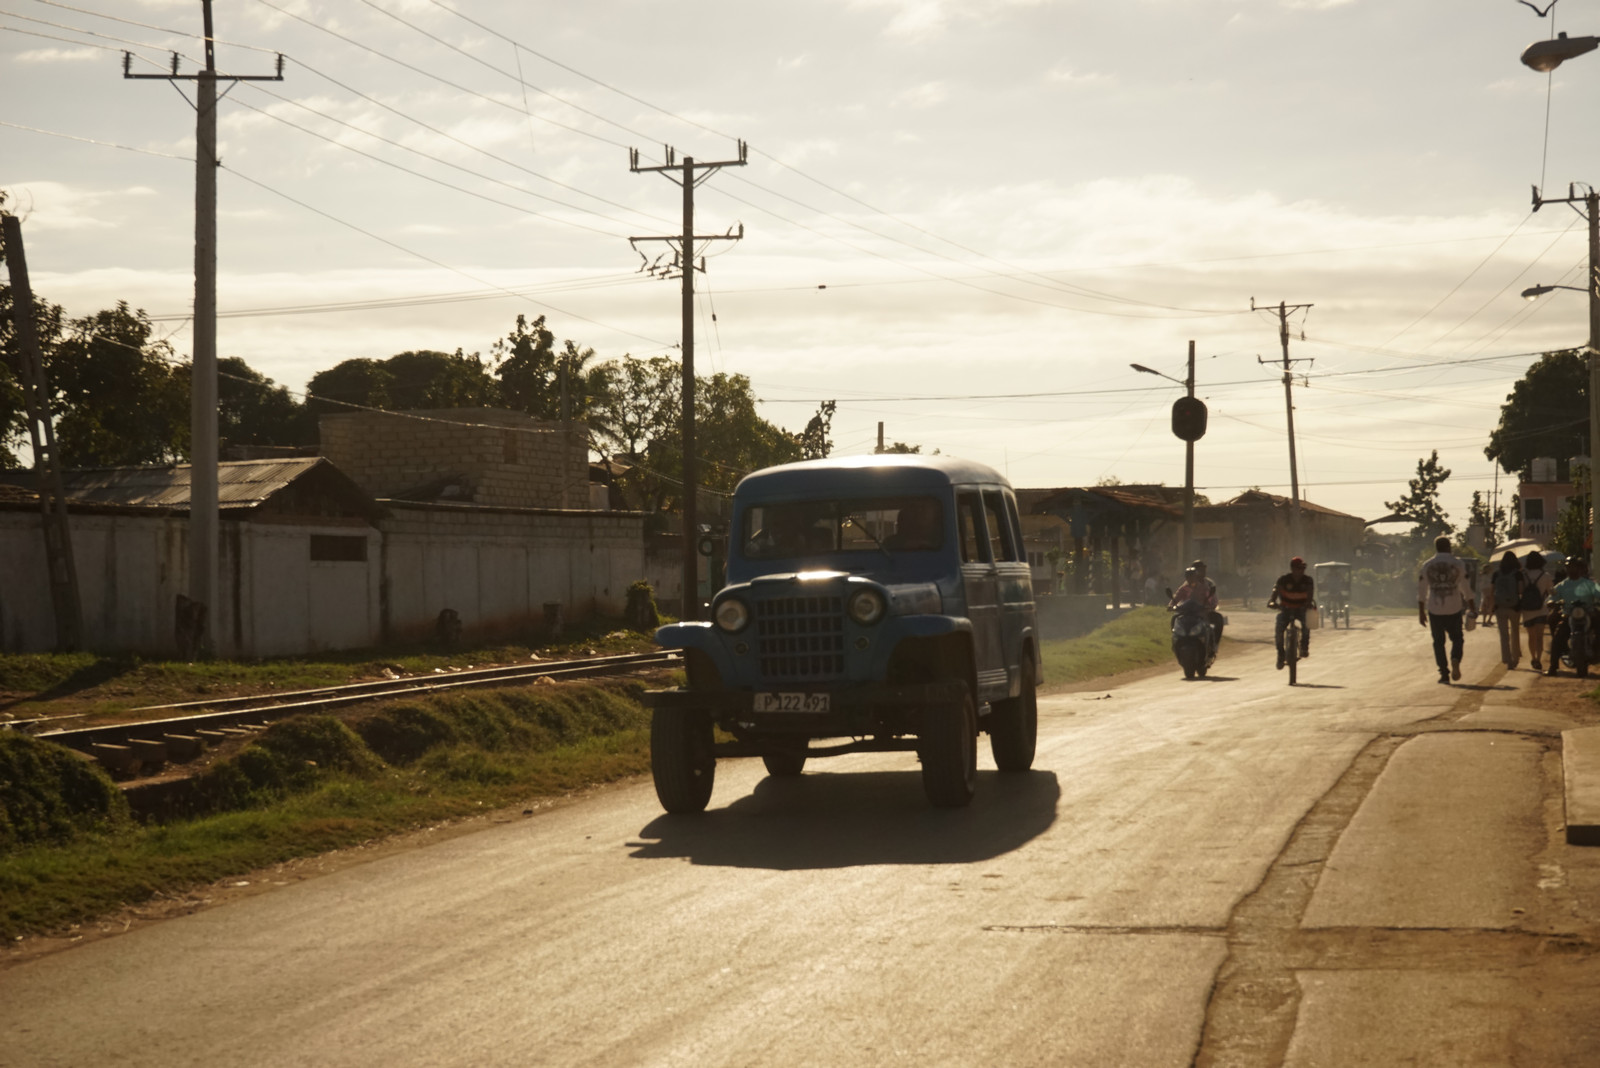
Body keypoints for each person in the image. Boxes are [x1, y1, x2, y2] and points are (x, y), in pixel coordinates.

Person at [1417, 535, 1477, 684]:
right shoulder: (1458, 564)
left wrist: (1421, 611)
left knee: (1438, 642)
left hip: (1434, 609)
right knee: (1457, 638)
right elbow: (1466, 587)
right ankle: (1455, 658)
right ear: (1449, 547)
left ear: (1436, 547)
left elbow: (1421, 590)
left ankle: (1444, 673)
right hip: (1454, 607)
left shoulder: (1427, 565)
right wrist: (1472, 606)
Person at [1544, 557, 1600, 676]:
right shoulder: (1562, 585)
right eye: (1569, 567)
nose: (1571, 569)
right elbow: (1551, 597)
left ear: (1580, 569)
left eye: (1574, 567)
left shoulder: (1590, 584)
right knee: (1557, 638)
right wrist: (1551, 602)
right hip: (1569, 615)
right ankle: (1553, 667)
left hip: (1588, 614)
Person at [1267, 556, 1315, 670]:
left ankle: (1304, 647)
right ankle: (1280, 655)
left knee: (1307, 624)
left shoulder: (1308, 580)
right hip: (1286, 610)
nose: (1301, 571)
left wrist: (1308, 605)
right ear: (1292, 569)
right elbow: (1274, 594)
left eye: (1303, 568)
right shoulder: (1283, 580)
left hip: (1301, 609)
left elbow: (1310, 595)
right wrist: (1272, 603)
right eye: (1298, 568)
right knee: (1279, 630)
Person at [1481, 551, 1525, 670]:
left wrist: (1492, 606)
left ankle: (1507, 659)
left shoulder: (1496, 574)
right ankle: (1515, 658)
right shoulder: (1518, 574)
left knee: (1503, 634)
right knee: (1515, 633)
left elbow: (1492, 591)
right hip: (1514, 607)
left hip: (1500, 607)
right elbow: (1521, 590)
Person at [1519, 551, 1556, 672]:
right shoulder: (1545, 575)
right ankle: (1539, 659)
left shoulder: (1523, 575)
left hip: (1527, 610)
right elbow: (1551, 591)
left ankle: (1533, 657)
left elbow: (1520, 590)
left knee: (1531, 636)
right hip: (1541, 609)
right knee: (1540, 636)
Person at [1187, 559, 1225, 645]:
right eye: (1199, 570)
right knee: (1176, 619)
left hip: (1206, 611)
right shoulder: (1188, 583)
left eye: (1203, 570)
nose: (1202, 572)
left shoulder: (1209, 583)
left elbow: (1214, 597)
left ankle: (1214, 643)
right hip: (1191, 612)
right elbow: (1182, 596)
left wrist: (1211, 606)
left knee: (1218, 619)